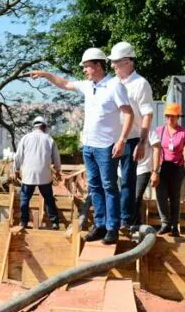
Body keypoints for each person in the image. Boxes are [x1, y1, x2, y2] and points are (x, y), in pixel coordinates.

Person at [24, 47, 134, 244]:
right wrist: (45, 74)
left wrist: (122, 140)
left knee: (109, 186)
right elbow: (64, 83)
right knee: (95, 186)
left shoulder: (114, 86)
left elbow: (128, 114)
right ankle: (100, 225)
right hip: (89, 146)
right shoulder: (88, 86)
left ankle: (112, 227)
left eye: (87, 67)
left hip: (107, 146)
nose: (84, 70)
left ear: (98, 66)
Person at [108, 42, 154, 229]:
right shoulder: (112, 83)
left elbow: (147, 114)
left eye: (116, 62)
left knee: (127, 181)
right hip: (111, 138)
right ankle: (112, 217)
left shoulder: (140, 84)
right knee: (109, 181)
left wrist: (142, 142)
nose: (112, 66)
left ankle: (125, 220)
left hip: (132, 137)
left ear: (128, 62)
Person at [13, 116, 62, 229]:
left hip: (28, 175)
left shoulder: (25, 138)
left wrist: (15, 170)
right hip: (44, 175)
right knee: (49, 199)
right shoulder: (49, 139)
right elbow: (56, 158)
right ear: (44, 126)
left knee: (25, 199)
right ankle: (55, 222)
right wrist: (58, 171)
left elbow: (18, 156)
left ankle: (23, 222)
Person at [156, 103, 185, 237]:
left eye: (173, 116)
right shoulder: (159, 131)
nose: (170, 119)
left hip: (177, 168)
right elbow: (154, 149)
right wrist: (153, 170)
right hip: (162, 167)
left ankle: (174, 226)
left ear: (178, 117)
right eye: (168, 116)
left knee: (174, 197)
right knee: (160, 195)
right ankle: (165, 223)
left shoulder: (184, 133)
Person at [120, 129, 161, 226]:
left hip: (142, 169)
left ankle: (128, 225)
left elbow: (157, 148)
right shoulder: (121, 127)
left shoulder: (149, 130)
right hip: (122, 170)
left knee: (135, 197)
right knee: (124, 198)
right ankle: (136, 224)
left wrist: (155, 171)